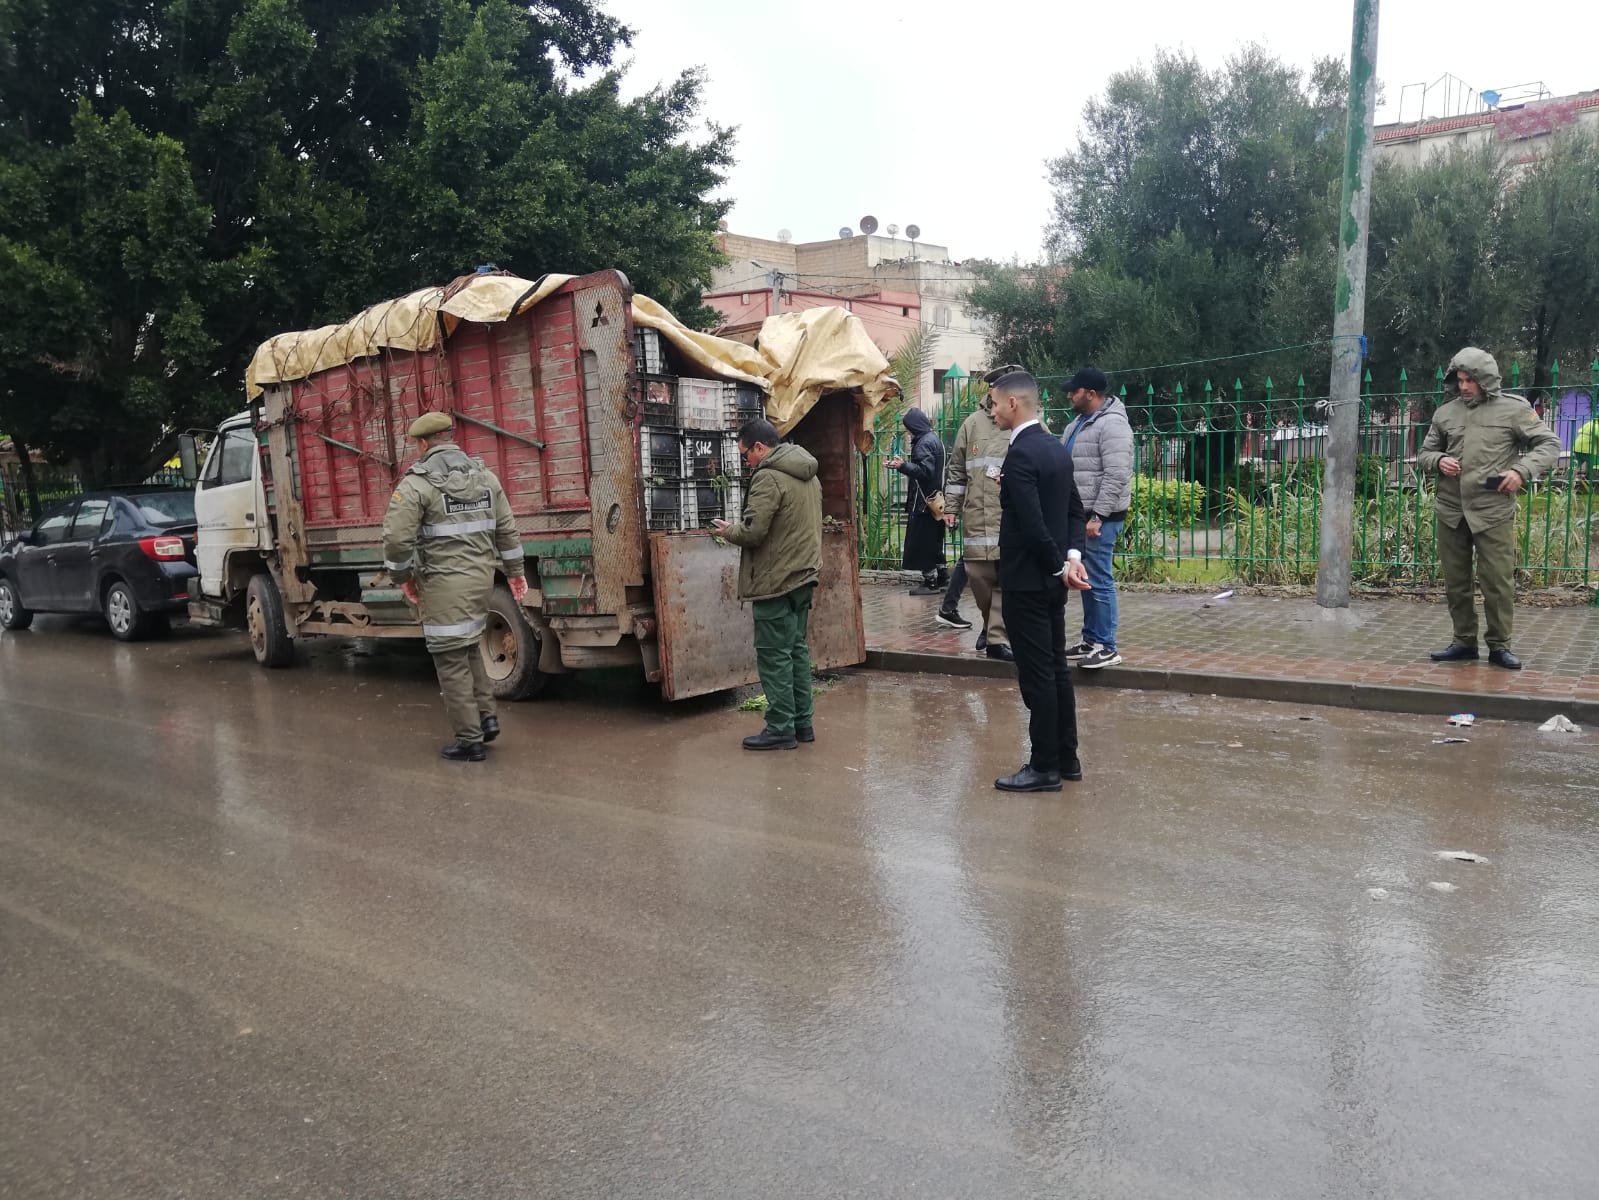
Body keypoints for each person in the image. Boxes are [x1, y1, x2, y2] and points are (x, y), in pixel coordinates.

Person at [382, 412, 528, 761]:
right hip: (481, 581)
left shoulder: (417, 485)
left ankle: (469, 740)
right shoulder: (485, 477)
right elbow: (506, 529)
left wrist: (403, 578)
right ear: (450, 437)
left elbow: (396, 540)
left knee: (450, 660)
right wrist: (515, 571)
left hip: (443, 584)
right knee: (467, 648)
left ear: (422, 444)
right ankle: (487, 717)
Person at [1418, 347, 1560, 670]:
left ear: (1486, 380)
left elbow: (1549, 444)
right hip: (1451, 510)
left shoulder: (1513, 410)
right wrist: (1439, 460)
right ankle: (1464, 642)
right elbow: (1425, 453)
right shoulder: (1446, 413)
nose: (1464, 386)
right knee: (1456, 582)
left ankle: (1499, 646)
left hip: (1492, 510)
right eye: (1460, 380)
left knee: (1497, 582)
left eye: (1471, 380)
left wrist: (1520, 471)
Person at [988, 370, 1091, 792]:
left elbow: (1031, 524)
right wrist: (1071, 558)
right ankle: (1067, 758)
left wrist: (1057, 565)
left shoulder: (1022, 455)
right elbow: (1074, 511)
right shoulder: (1055, 449)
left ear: (1013, 403)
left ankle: (1044, 766)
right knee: (1056, 670)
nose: (990, 410)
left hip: (1029, 582)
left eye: (993, 403)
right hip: (1051, 582)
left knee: (1038, 677)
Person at [712, 418, 824, 751]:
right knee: (797, 653)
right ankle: (802, 724)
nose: (746, 461)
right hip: (803, 576)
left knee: (775, 657)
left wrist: (727, 531)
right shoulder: (809, 474)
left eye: (746, 454)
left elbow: (753, 532)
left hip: (775, 582)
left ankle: (780, 728)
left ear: (760, 448)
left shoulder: (768, 478)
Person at [939, 364, 1022, 661]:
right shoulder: (971, 425)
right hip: (976, 518)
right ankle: (991, 627)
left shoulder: (1024, 423)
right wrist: (951, 508)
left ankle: (997, 637)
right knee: (978, 578)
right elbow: (958, 471)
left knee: (1006, 580)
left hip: (1009, 516)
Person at [1059, 366, 1133, 670]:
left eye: (1074, 390)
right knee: (1086, 579)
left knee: (1099, 579)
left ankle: (1107, 645)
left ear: (1091, 394)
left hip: (1101, 517)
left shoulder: (1112, 425)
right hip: (1082, 514)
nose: (1069, 394)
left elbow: (1116, 474)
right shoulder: (1079, 423)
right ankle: (1091, 639)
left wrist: (1099, 515)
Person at [887, 407, 948, 595]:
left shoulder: (923, 443)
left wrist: (902, 465)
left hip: (923, 503)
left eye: (908, 428)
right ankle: (943, 576)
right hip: (935, 500)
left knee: (923, 543)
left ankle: (930, 582)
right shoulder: (934, 439)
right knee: (935, 541)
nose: (908, 432)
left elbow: (924, 471)